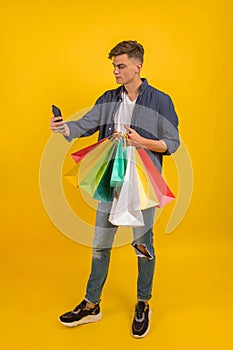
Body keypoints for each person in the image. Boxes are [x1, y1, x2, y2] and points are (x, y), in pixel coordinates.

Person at [50, 40, 180, 338]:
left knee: (143, 248)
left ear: (138, 66)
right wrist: (63, 127)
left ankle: (143, 302)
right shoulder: (109, 98)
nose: (116, 72)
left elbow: (171, 144)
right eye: (114, 66)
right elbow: (83, 125)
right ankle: (91, 305)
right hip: (112, 177)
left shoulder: (160, 100)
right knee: (100, 245)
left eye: (121, 66)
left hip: (143, 182)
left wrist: (141, 142)